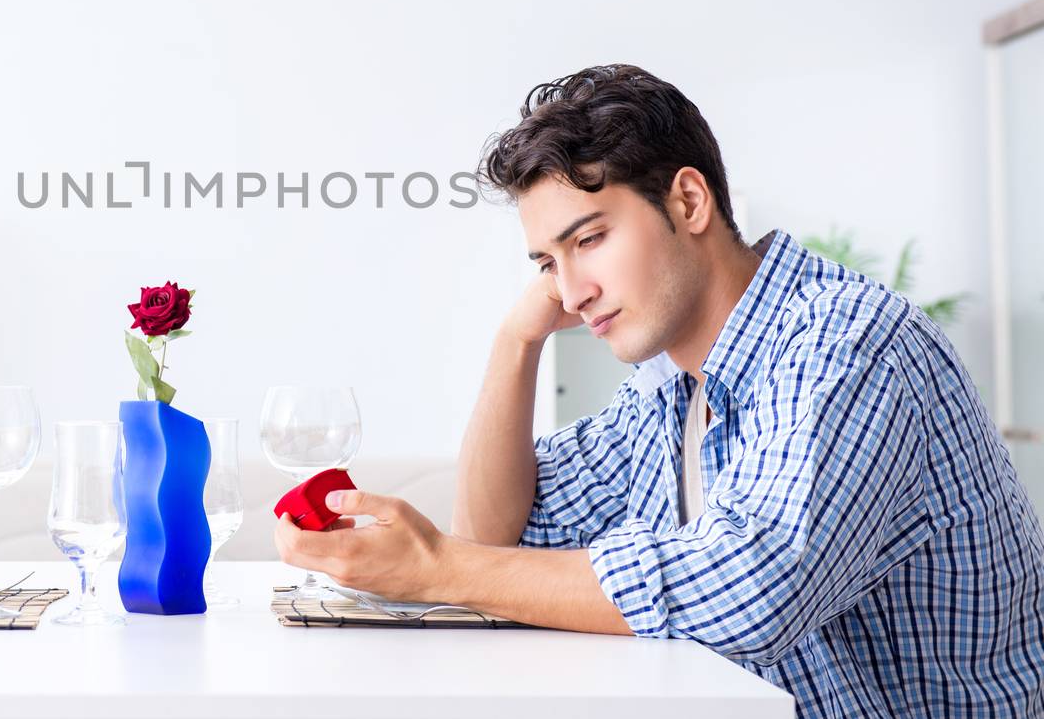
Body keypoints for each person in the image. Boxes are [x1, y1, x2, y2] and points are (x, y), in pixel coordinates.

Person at [275, 63, 1044, 717]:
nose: (571, 291)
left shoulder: (844, 345)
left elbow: (752, 588)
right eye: (546, 262)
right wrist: (517, 341)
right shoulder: (670, 383)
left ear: (688, 201)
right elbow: (497, 536)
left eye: (590, 240)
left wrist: (438, 567)